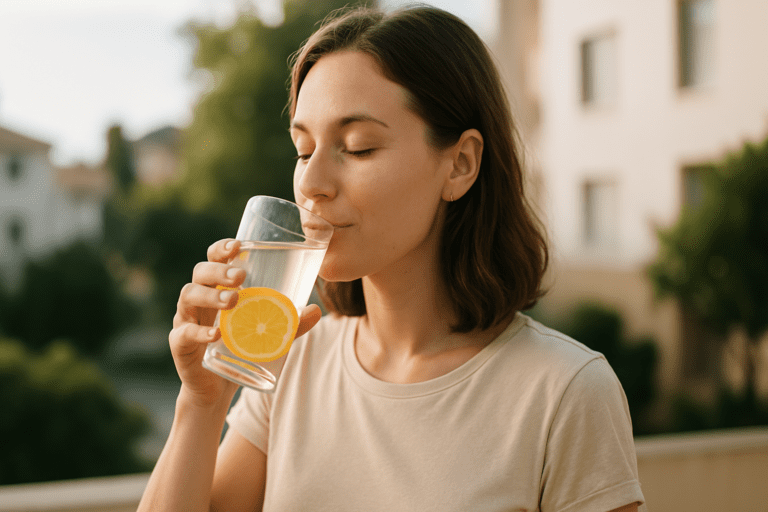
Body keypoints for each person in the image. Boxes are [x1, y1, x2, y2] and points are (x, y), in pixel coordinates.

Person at [138, 5, 645, 512]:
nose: (312, 184)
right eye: (303, 148)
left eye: (357, 148)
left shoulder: (565, 392)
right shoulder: (293, 363)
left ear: (460, 164)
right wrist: (202, 403)